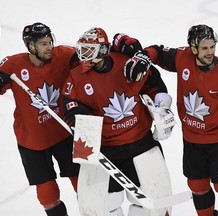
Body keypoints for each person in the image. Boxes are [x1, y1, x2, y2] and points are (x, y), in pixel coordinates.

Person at [121, 24, 218, 216]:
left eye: (212, 46)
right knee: (197, 186)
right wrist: (143, 56)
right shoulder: (183, 58)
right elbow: (157, 51)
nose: (210, 52)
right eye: (204, 48)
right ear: (193, 48)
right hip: (192, 139)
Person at [62, 27, 176, 215]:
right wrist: (79, 118)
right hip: (106, 149)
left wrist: (161, 106)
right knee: (105, 207)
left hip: (141, 144)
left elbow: (153, 82)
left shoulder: (126, 64)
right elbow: (70, 104)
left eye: (89, 50)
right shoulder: (76, 77)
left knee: (150, 204)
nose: (83, 55)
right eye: (82, 49)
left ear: (103, 50)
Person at [0, 22, 82, 216]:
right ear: (31, 46)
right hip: (32, 140)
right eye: (43, 43)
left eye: (50, 41)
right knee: (47, 196)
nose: (49, 46)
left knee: (83, 185)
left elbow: (92, 60)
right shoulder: (13, 65)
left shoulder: (65, 55)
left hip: (65, 132)